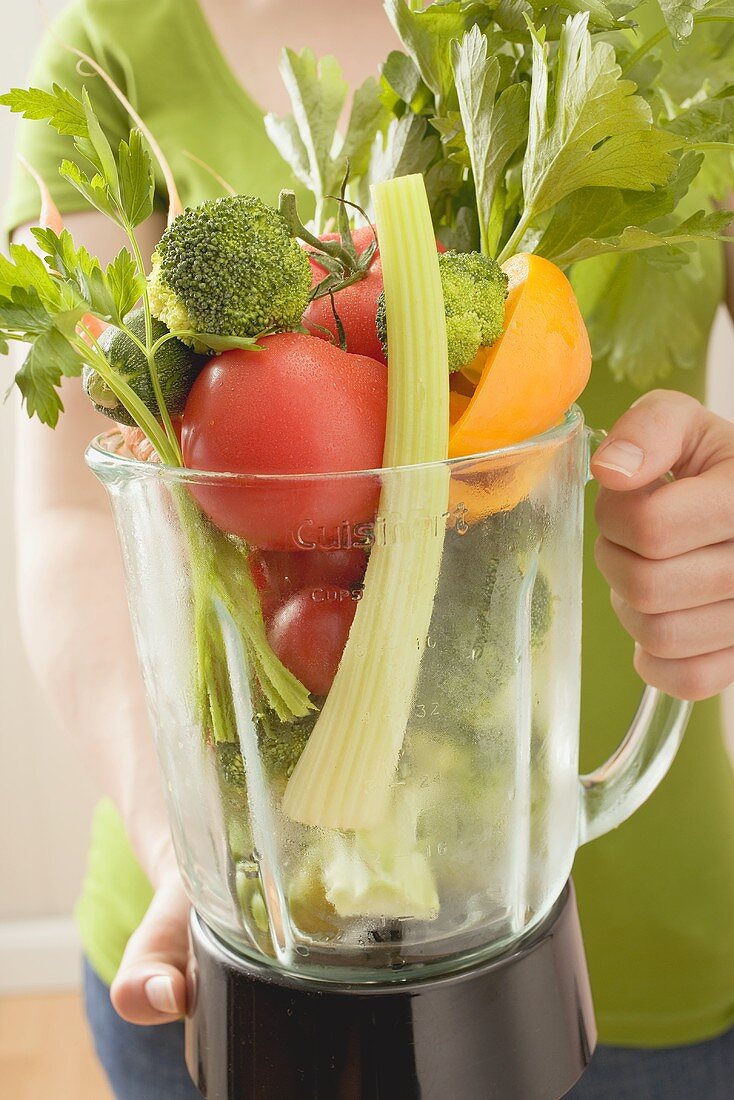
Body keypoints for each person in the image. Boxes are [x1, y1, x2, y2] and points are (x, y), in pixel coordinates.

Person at [5, 1, 734, 1097]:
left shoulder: (688, 33)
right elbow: (70, 509)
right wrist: (188, 845)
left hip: (638, 944)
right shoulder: (116, 46)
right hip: (220, 897)